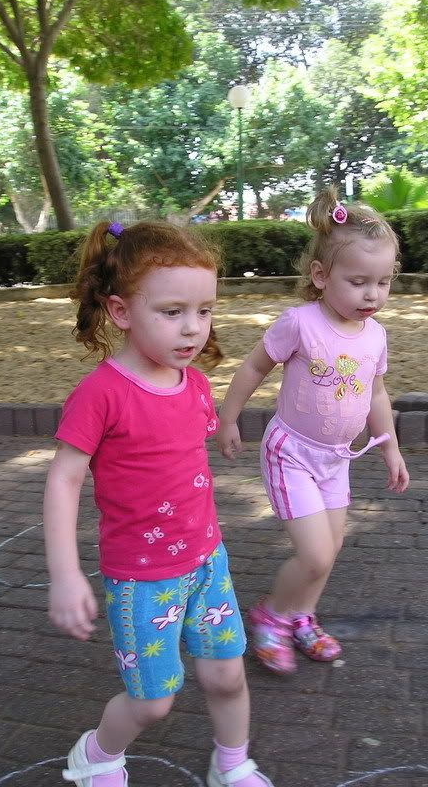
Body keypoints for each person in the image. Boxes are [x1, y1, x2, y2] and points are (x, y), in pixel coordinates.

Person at [43, 220, 274, 787]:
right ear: (121, 311)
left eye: (205, 310)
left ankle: (232, 763)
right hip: (142, 580)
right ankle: (98, 754)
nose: (193, 327)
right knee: (153, 701)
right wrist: (65, 575)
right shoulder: (100, 394)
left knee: (226, 676)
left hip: (208, 562)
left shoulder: (193, 384)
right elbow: (64, 480)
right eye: (172, 311)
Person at [217, 187, 410, 676]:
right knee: (315, 553)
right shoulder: (300, 323)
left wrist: (391, 449)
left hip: (336, 458)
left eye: (383, 281)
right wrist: (229, 417)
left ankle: (301, 616)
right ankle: (271, 615)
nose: (372, 294)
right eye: (358, 281)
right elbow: (254, 367)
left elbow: (376, 394)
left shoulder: (375, 335)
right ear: (321, 276)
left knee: (330, 549)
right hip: (293, 455)